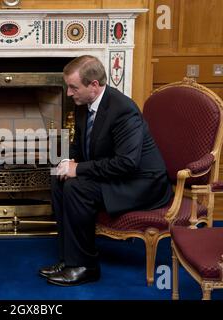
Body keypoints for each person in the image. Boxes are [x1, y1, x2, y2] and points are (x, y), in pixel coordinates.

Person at [39, 55, 173, 286]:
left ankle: (86, 267)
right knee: (58, 178)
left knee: (76, 187)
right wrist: (68, 161)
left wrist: (78, 169)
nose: (69, 93)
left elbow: (126, 163)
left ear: (94, 85)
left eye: (73, 87)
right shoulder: (84, 103)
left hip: (141, 183)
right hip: (116, 175)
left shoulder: (123, 111)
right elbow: (80, 143)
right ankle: (68, 259)